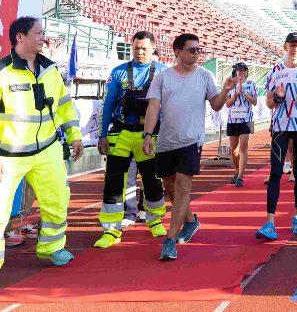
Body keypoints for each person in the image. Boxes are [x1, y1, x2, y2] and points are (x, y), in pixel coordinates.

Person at [0, 16, 84, 296]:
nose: (44, 37)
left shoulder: (50, 70)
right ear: (20, 37)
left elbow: (64, 105)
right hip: (7, 156)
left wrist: (74, 134)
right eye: (39, 33)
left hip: (48, 150)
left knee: (57, 201)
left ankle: (52, 247)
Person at [141, 33, 228, 261]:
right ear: (178, 52)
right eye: (192, 50)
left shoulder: (205, 76)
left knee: (182, 188)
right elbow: (152, 107)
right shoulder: (162, 77)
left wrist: (226, 91)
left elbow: (216, 105)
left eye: (198, 49)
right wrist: (148, 135)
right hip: (166, 141)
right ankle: (190, 220)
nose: (197, 53)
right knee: (170, 187)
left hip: (191, 141)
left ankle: (170, 241)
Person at [95, 31, 168, 248]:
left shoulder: (163, 72)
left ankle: (155, 221)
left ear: (153, 49)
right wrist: (102, 135)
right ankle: (111, 229)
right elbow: (107, 105)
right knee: (114, 182)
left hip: (151, 135)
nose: (139, 52)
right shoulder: (118, 73)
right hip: (121, 133)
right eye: (136, 48)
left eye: (144, 48)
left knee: (153, 180)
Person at [257, 32, 297, 240]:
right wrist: (277, 96)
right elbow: (268, 103)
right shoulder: (275, 70)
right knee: (275, 172)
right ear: (285, 47)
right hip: (281, 126)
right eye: (291, 45)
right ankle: (270, 222)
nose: (294, 48)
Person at [226, 62, 258, 187]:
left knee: (243, 147)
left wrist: (244, 93)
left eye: (244, 70)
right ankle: (237, 171)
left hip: (246, 119)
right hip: (232, 120)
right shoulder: (230, 84)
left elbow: (255, 101)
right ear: (235, 71)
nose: (242, 72)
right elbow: (227, 104)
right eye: (240, 70)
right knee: (233, 150)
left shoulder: (251, 84)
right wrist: (235, 94)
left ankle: (240, 177)